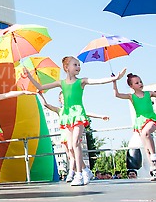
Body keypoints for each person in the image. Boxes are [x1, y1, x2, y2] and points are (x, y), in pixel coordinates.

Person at [25, 56, 125, 186]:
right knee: (71, 147)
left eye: (78, 65)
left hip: (78, 113)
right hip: (67, 115)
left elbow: (99, 81)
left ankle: (78, 174)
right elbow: (40, 86)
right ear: (66, 68)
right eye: (75, 65)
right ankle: (85, 170)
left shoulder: (81, 81)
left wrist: (114, 78)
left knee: (76, 142)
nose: (78, 67)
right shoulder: (61, 83)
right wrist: (29, 76)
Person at [39, 91, 109, 183]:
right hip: (64, 134)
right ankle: (84, 170)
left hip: (72, 133)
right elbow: (46, 104)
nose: (65, 100)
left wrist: (100, 116)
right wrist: (40, 94)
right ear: (60, 100)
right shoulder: (60, 110)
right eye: (63, 98)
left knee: (73, 152)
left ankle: (72, 173)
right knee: (70, 156)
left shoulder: (73, 110)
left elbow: (86, 113)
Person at [113, 73, 156, 181]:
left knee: (147, 133)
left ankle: (154, 156)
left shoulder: (148, 93)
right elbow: (117, 95)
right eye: (137, 83)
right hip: (140, 122)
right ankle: (153, 167)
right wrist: (114, 81)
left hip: (151, 118)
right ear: (131, 86)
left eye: (140, 81)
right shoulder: (131, 97)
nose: (140, 84)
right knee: (146, 145)